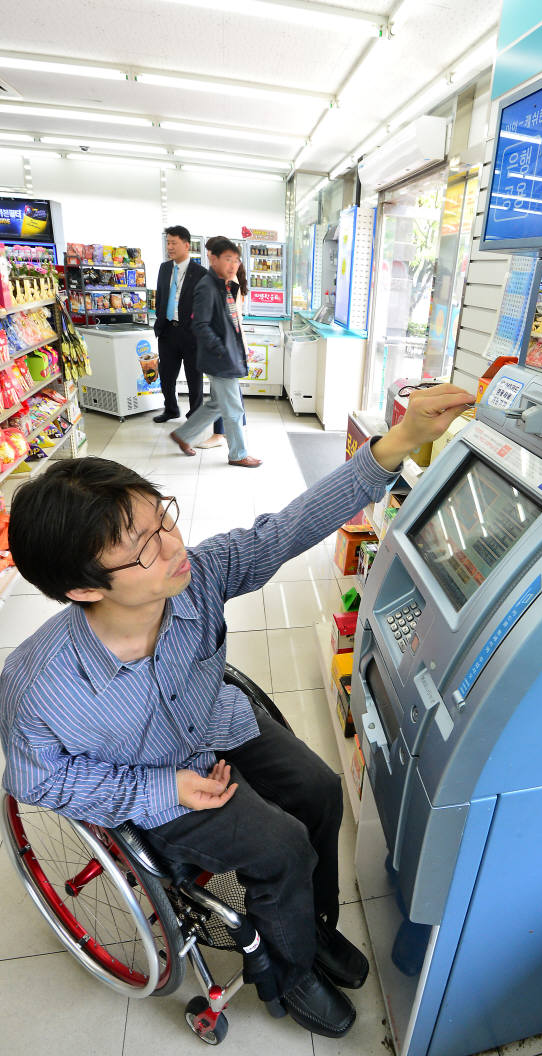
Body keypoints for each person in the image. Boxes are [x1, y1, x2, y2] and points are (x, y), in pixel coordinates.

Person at [0, 383, 474, 1038]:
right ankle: (292, 968)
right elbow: (34, 780)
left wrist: (398, 442)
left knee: (320, 790)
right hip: (155, 781)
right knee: (278, 845)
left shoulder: (201, 575)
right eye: (140, 546)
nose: (171, 545)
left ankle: (312, 922)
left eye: (161, 517)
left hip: (216, 721)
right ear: (83, 589)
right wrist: (159, 787)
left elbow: (288, 528)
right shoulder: (40, 684)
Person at [170, 236, 260, 468]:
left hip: (226, 355)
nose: (233, 265)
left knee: (218, 404)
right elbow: (200, 325)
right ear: (214, 258)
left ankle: (184, 435)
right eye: (228, 259)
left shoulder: (223, 285)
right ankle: (238, 454)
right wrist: (222, 350)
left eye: (236, 261)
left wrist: (239, 348)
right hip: (220, 358)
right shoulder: (207, 287)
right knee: (233, 408)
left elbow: (231, 322)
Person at [196, 237, 250, 450]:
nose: (209, 256)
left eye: (210, 252)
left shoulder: (227, 281)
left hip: (226, 345)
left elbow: (228, 318)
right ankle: (233, 431)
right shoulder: (229, 277)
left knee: (221, 393)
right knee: (227, 391)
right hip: (230, 345)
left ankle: (221, 434)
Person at [153, 225, 208, 423]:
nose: (170, 247)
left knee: (194, 378)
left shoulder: (200, 272)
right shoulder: (164, 268)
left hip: (191, 334)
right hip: (168, 330)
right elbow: (160, 297)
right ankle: (171, 409)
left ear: (186, 245)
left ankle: (195, 415)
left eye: (174, 243)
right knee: (166, 376)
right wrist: (159, 322)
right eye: (168, 243)